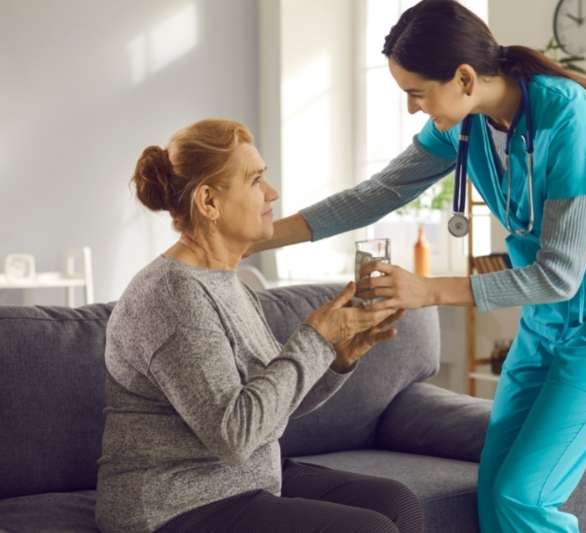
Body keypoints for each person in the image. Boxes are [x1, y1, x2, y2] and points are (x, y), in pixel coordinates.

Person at [247, 1, 586, 531]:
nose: (411, 108)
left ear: (464, 78)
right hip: (546, 322)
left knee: (524, 496)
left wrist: (427, 290)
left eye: (416, 94)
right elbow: (376, 193)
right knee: (495, 491)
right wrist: (258, 238)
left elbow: (559, 274)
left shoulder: (569, 117)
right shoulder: (465, 127)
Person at [95, 118, 423, 533]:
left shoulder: (226, 281)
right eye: (254, 181)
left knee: (396, 503)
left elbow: (271, 410)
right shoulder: (171, 295)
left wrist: (336, 359)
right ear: (209, 202)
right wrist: (315, 337)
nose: (272, 193)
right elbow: (235, 435)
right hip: (176, 504)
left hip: (244, 481)